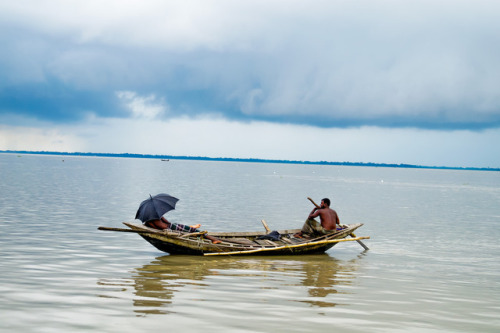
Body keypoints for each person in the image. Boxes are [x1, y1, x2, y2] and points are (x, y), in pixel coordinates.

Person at [146, 216, 221, 244]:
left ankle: (213, 239)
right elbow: (167, 223)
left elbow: (157, 228)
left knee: (192, 230)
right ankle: (213, 239)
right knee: (195, 231)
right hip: (172, 227)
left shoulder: (150, 220)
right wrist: (161, 218)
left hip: (172, 227)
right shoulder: (156, 217)